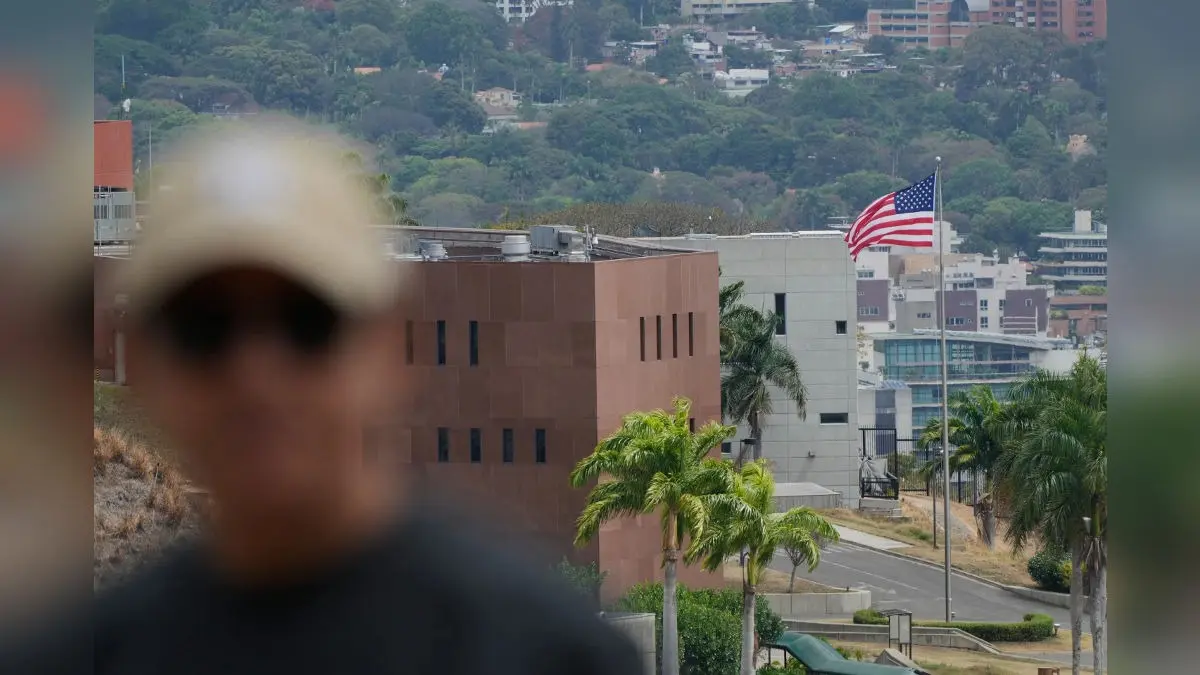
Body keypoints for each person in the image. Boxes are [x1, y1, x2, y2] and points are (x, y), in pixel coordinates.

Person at [90, 123, 640, 675]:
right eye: (205, 330)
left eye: (308, 324)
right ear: (141, 362)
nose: (256, 374)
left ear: (389, 346)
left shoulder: (546, 655)